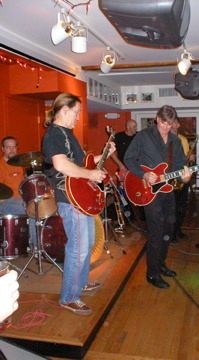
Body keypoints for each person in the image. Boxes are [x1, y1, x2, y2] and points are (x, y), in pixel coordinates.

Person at [42, 93, 115, 316]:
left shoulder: (68, 134)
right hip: (70, 199)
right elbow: (62, 165)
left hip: (80, 197)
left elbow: (82, 162)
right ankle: (69, 297)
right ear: (64, 111)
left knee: (88, 242)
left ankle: (81, 283)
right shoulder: (54, 133)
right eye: (76, 112)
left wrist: (103, 155)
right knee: (78, 248)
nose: (78, 117)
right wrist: (90, 174)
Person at [124, 105, 191, 289]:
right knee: (156, 232)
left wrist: (185, 177)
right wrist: (143, 174)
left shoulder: (175, 141)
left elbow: (179, 166)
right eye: (164, 123)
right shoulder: (143, 136)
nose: (167, 128)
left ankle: (161, 265)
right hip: (149, 191)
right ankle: (152, 273)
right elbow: (129, 159)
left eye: (170, 124)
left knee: (168, 230)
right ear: (157, 119)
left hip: (167, 190)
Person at [0, 136, 37, 250]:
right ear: (2, 149)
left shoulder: (20, 164)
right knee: (31, 209)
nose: (11, 150)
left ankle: (46, 244)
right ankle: (36, 247)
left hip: (22, 200)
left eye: (13, 147)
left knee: (41, 205)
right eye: (8, 147)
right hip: (6, 202)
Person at [170, 118, 196, 243]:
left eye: (177, 123)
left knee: (181, 206)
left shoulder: (183, 139)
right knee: (172, 208)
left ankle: (178, 230)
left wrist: (190, 158)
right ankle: (171, 234)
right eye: (176, 122)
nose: (178, 124)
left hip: (182, 176)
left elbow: (185, 158)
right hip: (170, 178)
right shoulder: (164, 139)